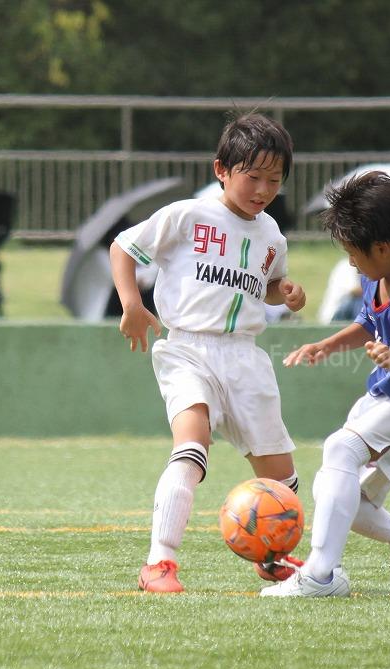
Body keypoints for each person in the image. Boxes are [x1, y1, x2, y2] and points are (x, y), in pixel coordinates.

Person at [109, 111, 307, 593]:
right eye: (252, 176)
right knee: (192, 446)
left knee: (282, 478)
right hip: (188, 350)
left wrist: (288, 291)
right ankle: (159, 563)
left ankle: (272, 556)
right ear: (221, 169)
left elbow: (268, 286)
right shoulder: (187, 215)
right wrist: (132, 304)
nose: (262, 189)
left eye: (274, 180)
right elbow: (123, 246)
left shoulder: (271, 235)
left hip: (245, 357)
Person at [261, 171, 390, 598]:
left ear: (383, 246)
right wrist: (326, 345)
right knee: (339, 493)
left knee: (340, 449)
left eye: (354, 253)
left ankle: (319, 576)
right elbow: (367, 324)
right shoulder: (377, 273)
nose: (351, 262)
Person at [316, 257, 363, 324]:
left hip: (347, 315)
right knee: (359, 302)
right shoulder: (345, 266)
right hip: (334, 316)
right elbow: (356, 291)